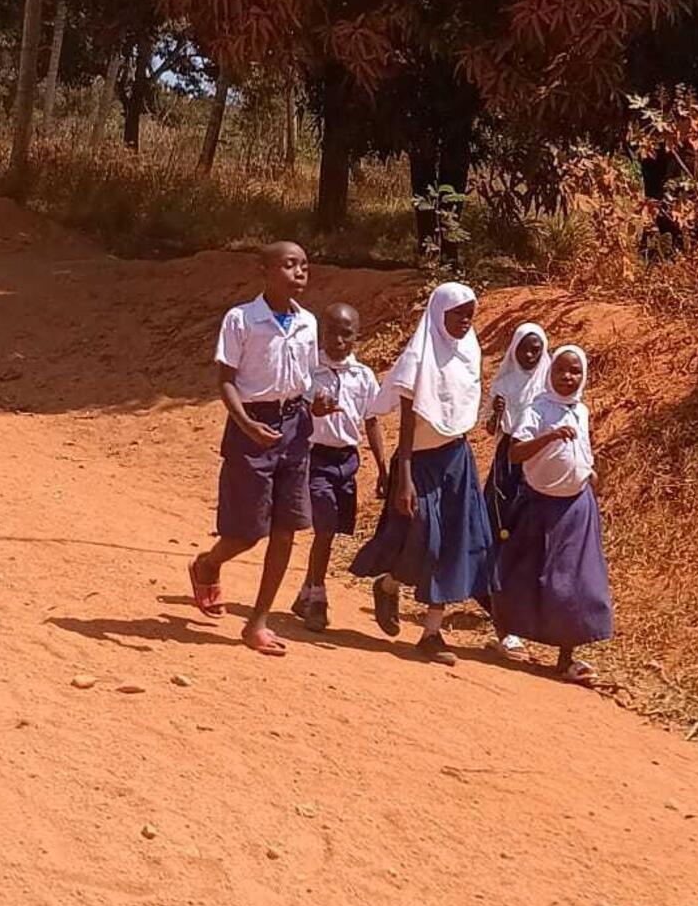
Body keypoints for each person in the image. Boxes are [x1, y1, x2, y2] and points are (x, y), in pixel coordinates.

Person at [350, 280, 494, 661]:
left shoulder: (469, 355)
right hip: (420, 462)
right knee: (424, 541)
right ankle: (389, 584)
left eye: (469, 315)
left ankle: (432, 633)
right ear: (437, 314)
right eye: (457, 314)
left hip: (457, 461)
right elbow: (408, 424)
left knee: (453, 545)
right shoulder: (420, 358)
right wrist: (405, 479)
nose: (465, 321)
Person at [190, 240, 319, 657]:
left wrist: (316, 403)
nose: (299, 272)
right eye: (288, 265)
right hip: (251, 425)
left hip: (295, 428)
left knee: (286, 528)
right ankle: (208, 563)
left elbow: (306, 378)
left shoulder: (308, 323)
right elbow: (226, 379)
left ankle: (257, 621)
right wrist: (246, 423)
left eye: (303, 265)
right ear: (264, 270)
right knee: (248, 531)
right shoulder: (242, 319)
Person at [492, 343, 614, 683]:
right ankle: (508, 633)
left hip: (577, 506)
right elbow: (516, 454)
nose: (568, 377)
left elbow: (582, 447)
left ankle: (566, 657)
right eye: (561, 370)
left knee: (575, 580)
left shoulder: (582, 411)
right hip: (539, 503)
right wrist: (548, 437)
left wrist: (589, 472)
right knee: (524, 571)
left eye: (575, 371)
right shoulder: (538, 409)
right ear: (550, 373)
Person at [294, 301, 389, 633]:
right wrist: (313, 414)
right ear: (322, 333)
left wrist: (382, 466)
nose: (337, 341)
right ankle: (318, 599)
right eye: (331, 332)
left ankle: (305, 591)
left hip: (347, 461)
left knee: (332, 530)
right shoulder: (309, 373)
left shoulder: (363, 377)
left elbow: (372, 421)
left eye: (345, 334)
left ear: (356, 337)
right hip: (314, 458)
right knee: (324, 528)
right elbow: (295, 418)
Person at [483, 321, 549, 654]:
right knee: (494, 524)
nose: (529, 355)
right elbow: (489, 429)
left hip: (536, 460)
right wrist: (495, 415)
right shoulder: (505, 382)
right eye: (523, 348)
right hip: (508, 459)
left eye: (535, 350)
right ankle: (491, 595)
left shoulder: (549, 385)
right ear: (513, 349)